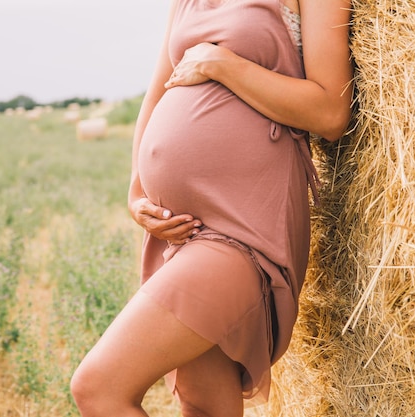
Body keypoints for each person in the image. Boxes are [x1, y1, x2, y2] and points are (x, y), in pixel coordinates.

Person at [71, 0, 354, 415]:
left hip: (243, 227)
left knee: (99, 387)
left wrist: (223, 64)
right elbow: (156, 95)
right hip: (181, 233)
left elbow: (330, 112)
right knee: (205, 406)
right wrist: (137, 192)